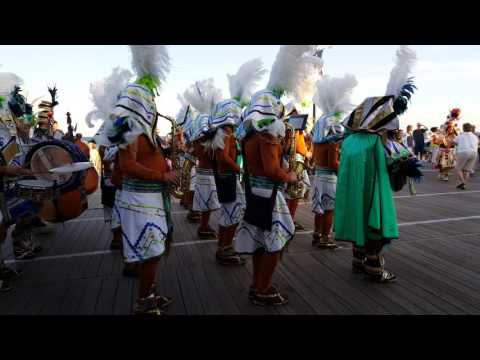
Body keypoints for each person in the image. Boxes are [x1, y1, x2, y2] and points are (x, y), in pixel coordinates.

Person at [104, 45, 177, 315]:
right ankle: (144, 302)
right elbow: (127, 165)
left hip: (150, 197)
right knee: (151, 250)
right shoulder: (131, 127)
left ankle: (150, 293)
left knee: (155, 249)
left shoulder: (141, 128)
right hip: (141, 199)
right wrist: (163, 175)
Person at [335, 45, 417, 283]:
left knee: (356, 213)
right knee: (374, 217)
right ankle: (373, 266)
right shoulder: (379, 141)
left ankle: (358, 259)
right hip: (373, 190)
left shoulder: (351, 140)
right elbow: (401, 174)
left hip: (354, 191)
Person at [234, 89, 297, 305]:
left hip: (253, 191)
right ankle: (262, 288)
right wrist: (290, 176)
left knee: (260, 241)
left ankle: (257, 284)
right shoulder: (267, 133)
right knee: (275, 243)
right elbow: (271, 169)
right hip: (269, 194)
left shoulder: (248, 133)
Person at [310, 73, 358, 249]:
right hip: (329, 178)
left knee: (320, 209)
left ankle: (317, 234)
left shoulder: (319, 130)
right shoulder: (331, 138)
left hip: (318, 176)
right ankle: (324, 237)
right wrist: (346, 170)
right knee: (329, 209)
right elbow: (333, 163)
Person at [437, 109, 460, 181]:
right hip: (443, 148)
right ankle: (442, 173)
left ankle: (445, 175)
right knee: (442, 163)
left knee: (450, 164)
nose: (451, 128)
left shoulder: (455, 130)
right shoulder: (444, 128)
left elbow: (457, 137)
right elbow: (441, 135)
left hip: (450, 149)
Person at [454, 123, 478, 189]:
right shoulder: (474, 136)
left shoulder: (461, 135)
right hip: (474, 152)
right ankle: (464, 184)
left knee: (458, 168)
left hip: (463, 152)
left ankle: (463, 182)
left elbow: (454, 142)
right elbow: (477, 143)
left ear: (463, 128)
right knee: (467, 170)